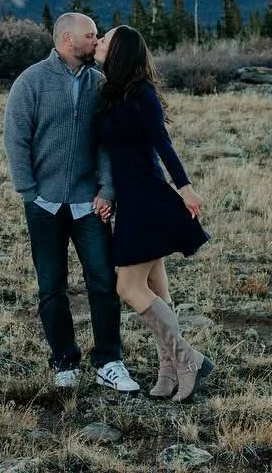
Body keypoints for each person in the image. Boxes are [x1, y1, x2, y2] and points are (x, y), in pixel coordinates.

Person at [4, 13, 139, 392]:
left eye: (97, 36)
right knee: (51, 286)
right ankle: (64, 361)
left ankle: (109, 362)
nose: (97, 42)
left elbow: (106, 146)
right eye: (90, 35)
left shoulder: (101, 85)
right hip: (43, 204)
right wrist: (29, 192)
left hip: (89, 205)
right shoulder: (31, 82)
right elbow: (16, 139)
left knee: (103, 282)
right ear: (67, 39)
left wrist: (107, 190)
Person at [93, 25, 213, 402]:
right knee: (157, 289)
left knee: (127, 287)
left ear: (120, 51)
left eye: (105, 40)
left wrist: (186, 186)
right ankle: (169, 368)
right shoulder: (111, 92)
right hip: (131, 200)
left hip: (146, 200)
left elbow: (163, 142)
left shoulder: (141, 93)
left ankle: (187, 359)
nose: (97, 43)